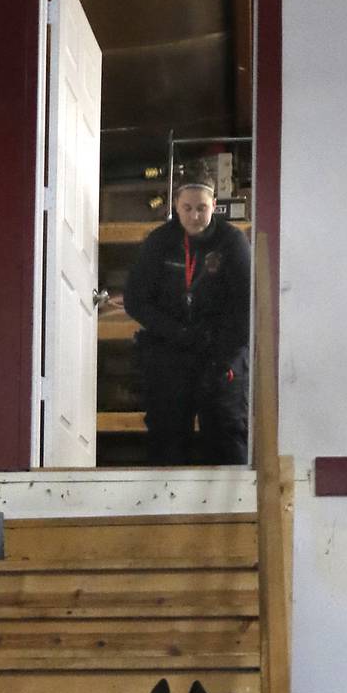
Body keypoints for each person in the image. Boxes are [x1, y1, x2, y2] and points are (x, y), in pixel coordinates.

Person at [124, 162, 251, 466]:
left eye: (202, 208)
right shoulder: (159, 242)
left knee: (226, 433)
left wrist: (220, 351)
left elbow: (246, 306)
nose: (195, 216)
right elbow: (136, 300)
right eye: (187, 208)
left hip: (219, 355)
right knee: (166, 437)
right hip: (170, 350)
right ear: (176, 207)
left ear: (215, 206)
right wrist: (177, 332)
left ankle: (231, 511)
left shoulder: (233, 242)